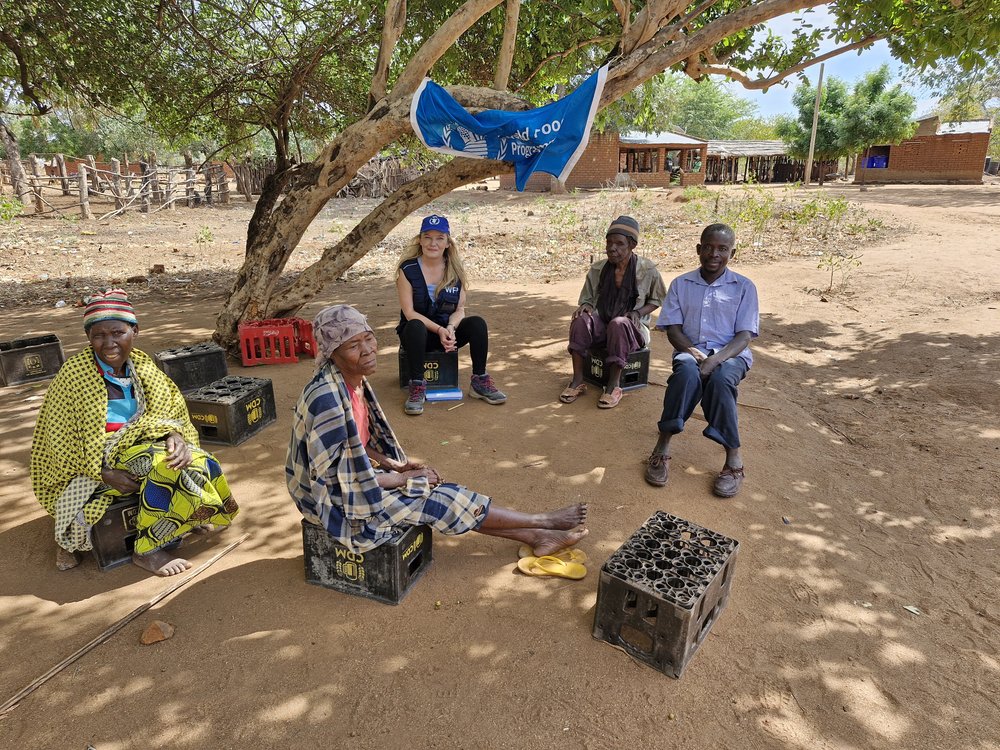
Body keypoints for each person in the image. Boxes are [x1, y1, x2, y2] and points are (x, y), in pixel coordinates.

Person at [287, 305, 588, 556]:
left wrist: (396, 465)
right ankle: (543, 522)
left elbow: (356, 446)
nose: (367, 350)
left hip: (351, 482)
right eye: (353, 346)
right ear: (332, 353)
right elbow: (337, 481)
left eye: (368, 338)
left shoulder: (349, 379)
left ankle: (537, 535)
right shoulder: (327, 400)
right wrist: (402, 478)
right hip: (330, 504)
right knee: (436, 498)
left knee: (434, 491)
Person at [30, 289, 239, 575]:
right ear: (89, 338)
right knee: (165, 468)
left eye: (118, 332)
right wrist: (103, 473)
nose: (109, 343)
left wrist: (176, 437)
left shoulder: (143, 367)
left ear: (134, 331)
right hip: (96, 460)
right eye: (98, 336)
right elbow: (58, 441)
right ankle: (147, 550)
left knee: (200, 460)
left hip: (143, 444)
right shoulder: (73, 376)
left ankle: (189, 515)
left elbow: (172, 414)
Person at [644, 223, 759, 497]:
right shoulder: (681, 284)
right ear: (698, 249)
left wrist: (715, 360)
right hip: (690, 350)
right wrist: (696, 354)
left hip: (730, 355)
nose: (714, 254)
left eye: (722, 249)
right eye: (708, 247)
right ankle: (662, 446)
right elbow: (673, 330)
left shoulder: (743, 287)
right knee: (685, 374)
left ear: (732, 252)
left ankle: (734, 461)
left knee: (722, 380)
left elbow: (744, 335)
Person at [396, 214, 506, 416]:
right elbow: (409, 312)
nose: (433, 243)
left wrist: (450, 329)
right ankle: (417, 386)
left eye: (439, 238)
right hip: (417, 336)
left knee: (477, 323)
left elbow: (460, 309)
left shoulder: (455, 270)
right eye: (428, 237)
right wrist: (439, 329)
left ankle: (479, 380)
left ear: (447, 242)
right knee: (415, 326)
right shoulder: (407, 269)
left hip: (446, 335)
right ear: (420, 240)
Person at [559, 215, 666, 409]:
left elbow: (657, 300)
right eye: (609, 243)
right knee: (581, 320)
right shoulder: (598, 269)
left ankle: (614, 386)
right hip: (603, 324)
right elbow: (587, 299)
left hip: (632, 330)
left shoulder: (647, 270)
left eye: (619, 244)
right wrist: (586, 306)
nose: (612, 248)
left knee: (619, 323)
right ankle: (577, 380)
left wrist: (638, 313)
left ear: (632, 245)